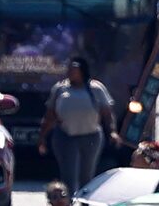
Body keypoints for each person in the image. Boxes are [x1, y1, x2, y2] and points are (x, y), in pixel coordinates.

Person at [45, 57, 113, 192]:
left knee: (86, 175)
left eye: (74, 69)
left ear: (82, 71)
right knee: (68, 175)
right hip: (65, 136)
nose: (70, 72)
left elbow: (106, 113)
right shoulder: (60, 89)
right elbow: (50, 114)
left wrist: (112, 131)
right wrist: (42, 137)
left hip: (91, 136)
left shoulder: (96, 89)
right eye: (69, 69)